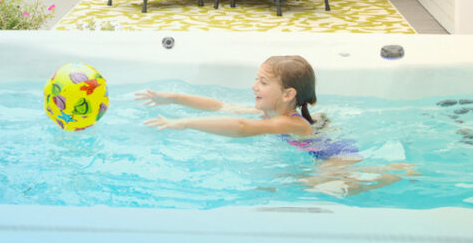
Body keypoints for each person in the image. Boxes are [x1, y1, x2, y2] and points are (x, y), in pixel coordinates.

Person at [136, 55, 414, 197]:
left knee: (306, 187)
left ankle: (393, 172)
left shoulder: (289, 123)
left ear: (288, 94)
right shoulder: (270, 112)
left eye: (263, 82)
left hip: (335, 159)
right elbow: (218, 106)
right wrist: (173, 98)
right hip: (323, 149)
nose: (254, 86)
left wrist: (185, 123)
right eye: (256, 79)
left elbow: (242, 128)